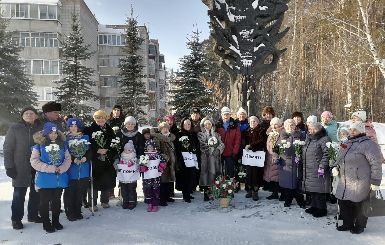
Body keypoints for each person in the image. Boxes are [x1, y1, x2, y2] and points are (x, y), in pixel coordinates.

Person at [334, 121, 383, 234]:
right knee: (344, 202)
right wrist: (336, 167)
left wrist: (375, 181)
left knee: (360, 204)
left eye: (355, 129)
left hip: (361, 180)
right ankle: (347, 223)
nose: (352, 131)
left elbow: (376, 163)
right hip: (345, 180)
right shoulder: (346, 143)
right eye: (350, 129)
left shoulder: (368, 144)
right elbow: (340, 158)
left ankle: (360, 226)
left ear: (361, 130)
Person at [4, 107, 42, 230]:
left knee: (36, 193)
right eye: (26, 113)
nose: (29, 115)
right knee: (19, 195)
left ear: (36, 116)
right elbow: (7, 148)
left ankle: (33, 215)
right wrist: (9, 166)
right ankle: (16, 219)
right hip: (20, 167)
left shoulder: (40, 128)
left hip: (37, 166)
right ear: (22, 116)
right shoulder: (15, 128)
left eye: (32, 113)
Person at [30, 122, 71, 233]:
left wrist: (62, 168)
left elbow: (68, 159)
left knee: (56, 201)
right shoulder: (39, 145)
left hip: (59, 178)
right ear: (45, 133)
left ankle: (56, 221)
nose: (53, 135)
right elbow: (34, 161)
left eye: (55, 133)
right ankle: (46, 223)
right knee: (44, 202)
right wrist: (50, 168)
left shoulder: (63, 144)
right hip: (45, 179)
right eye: (50, 133)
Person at [83, 110, 117, 210]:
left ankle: (105, 201)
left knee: (106, 180)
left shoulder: (109, 129)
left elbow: (114, 143)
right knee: (93, 182)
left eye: (102, 117)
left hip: (107, 159)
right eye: (98, 117)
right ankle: (92, 203)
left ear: (105, 118)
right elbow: (86, 144)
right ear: (95, 119)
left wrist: (108, 150)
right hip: (95, 159)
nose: (101, 119)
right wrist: (97, 150)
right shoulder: (89, 129)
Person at [64, 118, 90, 221]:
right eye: (71, 126)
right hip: (71, 169)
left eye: (75, 126)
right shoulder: (65, 139)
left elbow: (89, 151)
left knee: (80, 191)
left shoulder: (85, 137)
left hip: (83, 169)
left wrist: (86, 157)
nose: (73, 128)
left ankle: (77, 211)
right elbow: (64, 152)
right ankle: (70, 212)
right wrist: (73, 159)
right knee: (70, 191)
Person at [302, 122, 331, 217]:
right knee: (312, 190)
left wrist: (322, 165)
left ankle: (322, 209)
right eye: (310, 129)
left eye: (314, 129)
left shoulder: (324, 139)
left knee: (319, 190)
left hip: (319, 168)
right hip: (309, 168)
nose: (311, 131)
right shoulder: (309, 139)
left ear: (320, 129)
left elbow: (327, 154)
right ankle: (314, 206)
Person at [116, 116, 145, 209]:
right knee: (123, 183)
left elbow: (141, 148)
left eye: (132, 124)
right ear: (125, 124)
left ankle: (132, 201)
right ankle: (125, 200)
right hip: (122, 162)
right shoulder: (119, 134)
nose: (130, 125)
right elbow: (115, 147)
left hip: (133, 162)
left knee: (132, 184)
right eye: (128, 123)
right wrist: (116, 159)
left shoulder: (139, 135)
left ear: (135, 125)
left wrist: (139, 159)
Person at [278, 119, 305, 208]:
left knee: (297, 182)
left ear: (295, 126)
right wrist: (276, 155)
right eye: (288, 125)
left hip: (296, 162)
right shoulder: (282, 135)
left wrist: (300, 155)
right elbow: (276, 147)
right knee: (287, 183)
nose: (290, 127)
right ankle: (288, 199)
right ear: (284, 126)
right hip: (285, 163)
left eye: (292, 125)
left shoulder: (300, 135)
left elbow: (305, 147)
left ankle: (300, 200)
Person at [197, 117, 225, 201]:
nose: (207, 126)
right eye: (206, 124)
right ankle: (206, 193)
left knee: (216, 175)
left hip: (216, 159)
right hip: (206, 158)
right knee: (206, 175)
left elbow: (222, 144)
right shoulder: (201, 134)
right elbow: (202, 145)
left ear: (212, 125)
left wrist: (218, 150)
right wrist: (213, 150)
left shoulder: (216, 134)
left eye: (209, 124)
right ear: (203, 125)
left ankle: (215, 192)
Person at [151, 122, 177, 206]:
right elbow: (156, 150)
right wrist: (165, 158)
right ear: (160, 130)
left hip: (170, 163)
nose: (165, 130)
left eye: (166, 128)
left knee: (168, 181)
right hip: (162, 163)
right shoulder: (157, 138)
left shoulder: (170, 138)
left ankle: (167, 196)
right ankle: (162, 199)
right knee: (162, 181)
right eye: (163, 128)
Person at [175, 117, 200, 203]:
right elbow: (177, 148)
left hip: (192, 159)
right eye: (185, 124)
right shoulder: (179, 134)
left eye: (189, 124)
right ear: (182, 125)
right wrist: (180, 158)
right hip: (183, 159)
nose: (187, 125)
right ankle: (185, 195)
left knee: (191, 177)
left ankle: (188, 193)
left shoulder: (193, 134)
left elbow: (196, 146)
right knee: (184, 177)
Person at [244, 116, 268, 201]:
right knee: (249, 173)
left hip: (257, 155)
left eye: (254, 121)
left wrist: (251, 146)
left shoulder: (261, 130)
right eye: (251, 121)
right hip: (248, 156)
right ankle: (249, 190)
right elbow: (243, 141)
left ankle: (255, 191)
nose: (252, 123)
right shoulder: (246, 131)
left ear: (257, 122)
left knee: (256, 174)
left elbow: (262, 141)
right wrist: (245, 146)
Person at [141, 139, 166, 212]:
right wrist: (143, 167)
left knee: (156, 190)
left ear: (154, 148)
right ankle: (149, 204)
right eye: (148, 148)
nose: (150, 149)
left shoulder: (158, 156)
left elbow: (163, 163)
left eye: (151, 148)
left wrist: (160, 168)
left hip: (156, 177)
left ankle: (155, 204)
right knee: (148, 190)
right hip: (147, 178)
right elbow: (141, 167)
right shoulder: (144, 157)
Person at [216, 107, 241, 178]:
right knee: (219, 170)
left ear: (230, 115)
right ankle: (219, 186)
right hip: (220, 152)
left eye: (227, 114)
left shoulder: (235, 125)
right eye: (224, 114)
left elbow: (237, 140)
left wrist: (235, 151)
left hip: (230, 152)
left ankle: (230, 186)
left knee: (230, 170)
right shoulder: (218, 125)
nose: (226, 116)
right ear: (222, 115)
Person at [114, 140, 140, 210]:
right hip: (123, 177)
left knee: (131, 190)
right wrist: (116, 165)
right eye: (125, 149)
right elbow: (117, 163)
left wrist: (137, 165)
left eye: (129, 149)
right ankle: (125, 201)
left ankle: (132, 202)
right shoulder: (121, 156)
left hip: (132, 178)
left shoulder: (134, 157)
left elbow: (138, 163)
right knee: (124, 190)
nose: (127, 151)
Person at [264, 117, 283, 200]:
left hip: (278, 157)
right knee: (272, 176)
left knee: (278, 176)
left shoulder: (282, 133)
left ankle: (281, 193)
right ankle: (274, 193)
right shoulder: (270, 133)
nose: (274, 126)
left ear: (279, 124)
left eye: (275, 124)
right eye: (272, 124)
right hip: (269, 157)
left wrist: (276, 153)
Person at [235, 107, 249, 191]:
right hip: (237, 148)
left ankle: (247, 185)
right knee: (237, 167)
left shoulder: (248, 123)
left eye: (243, 114)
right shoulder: (234, 123)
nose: (242, 116)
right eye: (240, 114)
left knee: (246, 167)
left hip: (246, 147)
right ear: (238, 115)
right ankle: (237, 185)